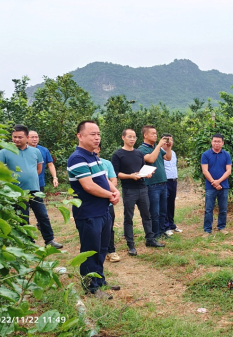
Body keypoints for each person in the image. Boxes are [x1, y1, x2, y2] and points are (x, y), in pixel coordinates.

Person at [67, 121, 120, 299]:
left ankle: (100, 280)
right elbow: (88, 186)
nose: (97, 137)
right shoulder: (77, 158)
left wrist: (115, 191)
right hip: (89, 213)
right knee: (90, 250)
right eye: (92, 134)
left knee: (102, 248)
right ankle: (90, 288)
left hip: (103, 211)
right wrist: (109, 195)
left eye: (98, 134)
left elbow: (103, 179)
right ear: (80, 136)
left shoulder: (94, 157)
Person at [0, 125, 63, 249]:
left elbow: (38, 169)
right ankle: (28, 242)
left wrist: (29, 178)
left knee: (42, 215)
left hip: (35, 189)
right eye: (14, 137)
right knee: (23, 217)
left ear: (26, 137)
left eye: (20, 137)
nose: (16, 139)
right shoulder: (5, 151)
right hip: (16, 192)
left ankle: (49, 240)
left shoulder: (36, 151)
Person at [112, 129, 164, 257]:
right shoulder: (118, 154)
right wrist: (130, 176)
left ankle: (150, 239)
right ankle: (131, 245)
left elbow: (141, 169)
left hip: (142, 187)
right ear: (123, 137)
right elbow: (116, 174)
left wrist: (148, 174)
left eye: (134, 137)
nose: (132, 139)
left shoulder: (138, 153)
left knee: (147, 215)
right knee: (128, 218)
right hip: (129, 189)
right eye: (129, 136)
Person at [138, 125, 172, 240]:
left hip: (163, 183)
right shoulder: (142, 149)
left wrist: (168, 147)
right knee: (154, 212)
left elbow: (168, 158)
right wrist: (159, 146)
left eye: (156, 133)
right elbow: (151, 159)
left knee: (163, 211)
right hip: (152, 185)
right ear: (145, 135)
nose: (155, 135)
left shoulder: (156, 148)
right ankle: (154, 234)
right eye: (152, 133)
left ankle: (162, 231)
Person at [201, 133, 232, 235]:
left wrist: (218, 181)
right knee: (208, 209)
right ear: (211, 142)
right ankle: (207, 229)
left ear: (222, 143)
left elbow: (228, 171)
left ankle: (221, 227)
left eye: (219, 141)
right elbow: (205, 171)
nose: (216, 143)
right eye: (214, 141)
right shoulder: (205, 155)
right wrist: (214, 183)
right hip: (210, 187)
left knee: (223, 208)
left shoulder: (226, 155)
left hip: (224, 186)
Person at [94, 144, 120, 263]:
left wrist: (108, 191)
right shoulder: (82, 162)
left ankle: (111, 251)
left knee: (109, 227)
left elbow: (113, 180)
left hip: (107, 201)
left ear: (98, 149)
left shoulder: (106, 163)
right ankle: (96, 251)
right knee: (94, 229)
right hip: (93, 202)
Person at [162, 133, 183, 235]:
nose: (170, 142)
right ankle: (166, 227)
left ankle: (172, 224)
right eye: (167, 140)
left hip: (173, 181)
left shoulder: (173, 153)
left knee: (171, 203)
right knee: (164, 204)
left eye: (171, 140)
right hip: (165, 181)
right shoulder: (159, 153)